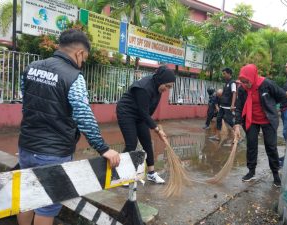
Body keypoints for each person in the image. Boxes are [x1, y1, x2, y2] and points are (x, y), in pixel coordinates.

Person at [17, 29, 120, 225]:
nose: (82, 63)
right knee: (46, 206)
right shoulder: (73, 77)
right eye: (85, 58)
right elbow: (83, 115)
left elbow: (26, 100)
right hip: (53, 153)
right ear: (80, 53)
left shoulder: (31, 67)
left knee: (27, 199)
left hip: (26, 147)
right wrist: (103, 148)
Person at [116, 66, 175, 184]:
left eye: (170, 87)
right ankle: (120, 174)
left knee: (147, 142)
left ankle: (151, 173)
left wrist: (152, 126)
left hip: (141, 115)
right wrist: (157, 129)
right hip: (127, 113)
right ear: (161, 80)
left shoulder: (158, 87)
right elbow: (144, 112)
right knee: (131, 143)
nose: (167, 89)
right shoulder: (144, 87)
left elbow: (147, 111)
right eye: (167, 86)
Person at [233, 64, 286, 187]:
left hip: (268, 120)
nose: (245, 84)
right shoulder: (242, 89)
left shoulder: (266, 84)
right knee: (251, 145)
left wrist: (271, 104)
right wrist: (236, 123)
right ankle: (251, 171)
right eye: (242, 82)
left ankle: (275, 174)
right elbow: (239, 106)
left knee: (271, 147)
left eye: (247, 81)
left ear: (253, 76)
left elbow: (282, 95)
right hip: (251, 120)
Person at [209, 68, 237, 140]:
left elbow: (234, 93)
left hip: (228, 106)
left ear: (229, 74)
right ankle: (217, 136)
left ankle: (239, 136)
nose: (223, 75)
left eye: (224, 73)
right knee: (218, 119)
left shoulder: (232, 83)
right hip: (222, 105)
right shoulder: (227, 83)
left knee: (230, 121)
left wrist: (233, 105)